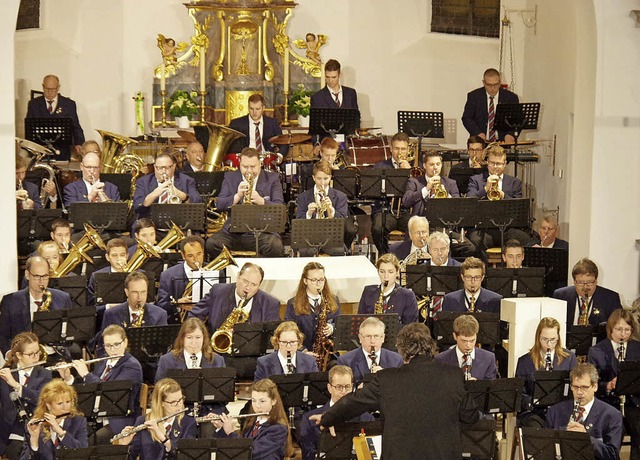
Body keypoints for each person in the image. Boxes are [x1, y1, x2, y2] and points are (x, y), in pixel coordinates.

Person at [314, 322, 479, 459]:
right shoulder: (454, 375)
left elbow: (354, 402)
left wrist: (327, 418)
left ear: (402, 350)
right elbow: (470, 415)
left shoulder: (386, 378)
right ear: (430, 346)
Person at [57, 325, 143, 444]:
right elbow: (88, 388)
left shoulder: (131, 366)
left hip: (118, 422)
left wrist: (86, 375)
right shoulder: (103, 361)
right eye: (108, 346)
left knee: (86, 444)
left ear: (125, 342)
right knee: (68, 434)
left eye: (116, 344)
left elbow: (112, 393)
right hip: (95, 417)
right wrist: (69, 378)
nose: (112, 350)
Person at [206, 147, 285, 258]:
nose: (249, 171)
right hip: (234, 233)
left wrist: (261, 201)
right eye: (245, 167)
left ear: (260, 164)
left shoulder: (272, 178)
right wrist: (237, 196)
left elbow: (280, 208)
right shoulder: (230, 177)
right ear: (239, 164)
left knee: (275, 245)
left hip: (262, 232)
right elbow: (220, 204)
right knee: (211, 244)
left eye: (253, 166)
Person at [588, 309, 640, 458]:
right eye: (618, 329)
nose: (623, 334)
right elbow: (592, 383)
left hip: (633, 403)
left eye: (627, 330)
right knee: (614, 434)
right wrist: (608, 385)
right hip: (609, 403)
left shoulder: (637, 348)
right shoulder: (597, 351)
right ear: (610, 329)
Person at [546, 363, 623, 460]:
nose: (579, 392)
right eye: (575, 387)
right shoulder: (555, 412)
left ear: (595, 386)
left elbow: (612, 455)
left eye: (584, 387)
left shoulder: (612, 415)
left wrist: (586, 438)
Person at [299, 365, 374, 460]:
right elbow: (308, 454)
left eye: (347, 387)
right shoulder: (310, 419)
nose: (343, 392)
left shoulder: (366, 418)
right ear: (329, 388)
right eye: (339, 387)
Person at [0, 257, 72, 355]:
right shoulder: (10, 301)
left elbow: (69, 335)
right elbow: (3, 335)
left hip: (53, 356)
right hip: (23, 358)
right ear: (27, 275)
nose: (41, 281)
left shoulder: (62, 298)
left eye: (45, 276)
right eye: (37, 276)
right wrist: (10, 354)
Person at [467, 144, 530, 251]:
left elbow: (518, 209)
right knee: (476, 243)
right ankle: (484, 267)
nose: (495, 166)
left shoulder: (515, 183)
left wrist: (503, 196)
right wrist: (485, 188)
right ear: (487, 162)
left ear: (504, 164)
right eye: (492, 163)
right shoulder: (476, 180)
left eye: (499, 163)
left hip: (506, 229)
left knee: (526, 240)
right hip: (483, 229)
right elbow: (470, 202)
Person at [515, 317, 577, 424]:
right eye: (545, 339)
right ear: (538, 337)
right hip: (534, 412)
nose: (549, 344)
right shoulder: (525, 361)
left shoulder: (569, 358)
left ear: (558, 338)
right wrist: (533, 401)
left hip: (561, 410)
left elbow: (574, 386)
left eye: (552, 339)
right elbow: (519, 392)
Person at [0, 333, 52, 458]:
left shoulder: (45, 374)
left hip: (33, 432)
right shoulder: (5, 373)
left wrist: (17, 386)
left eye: (37, 352)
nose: (36, 357)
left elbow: (41, 399)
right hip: (8, 433)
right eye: (31, 354)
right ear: (19, 355)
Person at [212, 378, 292, 460]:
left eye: (262, 401)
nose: (257, 406)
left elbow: (251, 452)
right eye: (254, 401)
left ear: (273, 401)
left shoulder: (278, 428)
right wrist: (222, 428)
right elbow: (231, 449)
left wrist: (230, 432)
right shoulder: (251, 422)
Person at [190, 262, 280, 333]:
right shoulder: (217, 292)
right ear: (238, 276)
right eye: (245, 281)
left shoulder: (270, 304)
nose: (248, 287)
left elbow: (272, 336)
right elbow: (193, 317)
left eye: (254, 284)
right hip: (216, 353)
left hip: (252, 355)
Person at [119, 378, 197, 459]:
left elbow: (186, 456)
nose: (179, 405)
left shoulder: (189, 423)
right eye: (173, 402)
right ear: (161, 403)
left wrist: (163, 438)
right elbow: (132, 456)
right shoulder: (143, 421)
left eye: (180, 399)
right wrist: (123, 447)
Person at [295, 160, 350, 256]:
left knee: (339, 251)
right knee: (305, 252)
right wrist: (308, 213)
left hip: (331, 238)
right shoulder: (303, 197)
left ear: (330, 178)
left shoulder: (340, 197)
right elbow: (298, 222)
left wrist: (332, 210)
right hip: (309, 238)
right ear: (313, 178)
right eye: (319, 178)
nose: (322, 182)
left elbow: (344, 223)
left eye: (326, 178)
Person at [22, 379, 88, 458]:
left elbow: (83, 452)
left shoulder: (78, 421)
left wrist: (60, 432)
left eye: (68, 402)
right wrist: (34, 440)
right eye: (60, 403)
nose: (65, 407)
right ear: (48, 405)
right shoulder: (35, 424)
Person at [284, 262, 341, 353]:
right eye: (314, 280)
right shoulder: (292, 304)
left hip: (327, 353)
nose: (318, 284)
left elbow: (339, 324)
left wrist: (332, 328)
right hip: (302, 353)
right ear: (305, 281)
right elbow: (288, 331)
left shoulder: (333, 300)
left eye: (321, 280)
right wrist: (303, 351)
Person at [26, 75, 85, 160]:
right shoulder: (34, 104)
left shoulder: (69, 104)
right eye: (47, 89)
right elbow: (29, 130)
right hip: (40, 152)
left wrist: (79, 143)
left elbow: (75, 126)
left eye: (53, 89)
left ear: (58, 88)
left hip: (62, 151)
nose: (50, 92)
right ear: (43, 87)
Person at [371, 132, 412, 254]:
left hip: (406, 211)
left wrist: (408, 171)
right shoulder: (380, 167)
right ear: (390, 149)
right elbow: (373, 191)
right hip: (386, 210)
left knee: (416, 228)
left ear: (408, 149)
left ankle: (406, 256)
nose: (400, 152)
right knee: (378, 228)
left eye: (403, 149)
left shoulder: (415, 168)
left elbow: (419, 191)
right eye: (396, 148)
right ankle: (385, 256)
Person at [552, 258, 622, 327]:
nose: (585, 287)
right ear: (574, 282)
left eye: (590, 282)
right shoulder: (560, 296)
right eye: (581, 283)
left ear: (596, 281)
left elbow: (617, 327)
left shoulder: (611, 298)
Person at [133, 152, 202, 220]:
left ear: (174, 166)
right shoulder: (143, 182)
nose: (163, 171)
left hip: (178, 221)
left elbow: (198, 201)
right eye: (159, 168)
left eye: (167, 167)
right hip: (151, 223)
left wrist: (184, 196)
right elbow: (136, 206)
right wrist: (153, 194)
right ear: (154, 167)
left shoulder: (187, 180)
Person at [336, 317, 404, 384]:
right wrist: (358, 388)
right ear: (360, 338)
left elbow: (401, 388)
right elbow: (342, 390)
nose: (372, 341)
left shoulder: (396, 360)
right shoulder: (345, 361)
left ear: (382, 338)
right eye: (368, 336)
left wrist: (385, 377)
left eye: (376, 336)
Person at [155, 318, 225, 382]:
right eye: (189, 337)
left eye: (198, 337)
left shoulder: (217, 361)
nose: (194, 342)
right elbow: (159, 391)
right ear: (182, 339)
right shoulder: (166, 361)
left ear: (204, 338)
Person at [357, 253, 418, 324]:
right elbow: (360, 321)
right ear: (378, 272)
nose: (386, 276)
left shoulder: (407, 295)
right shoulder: (368, 291)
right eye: (382, 272)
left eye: (390, 272)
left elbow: (411, 327)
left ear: (397, 272)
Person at [461, 68, 519, 143]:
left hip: (503, 142)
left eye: (495, 84)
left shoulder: (510, 98)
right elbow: (467, 118)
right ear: (483, 82)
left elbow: (517, 120)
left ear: (500, 82)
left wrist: (510, 134)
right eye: (489, 85)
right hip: (480, 142)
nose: (492, 88)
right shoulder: (474, 96)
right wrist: (478, 133)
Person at [157, 235, 205, 324]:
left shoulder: (215, 272)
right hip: (178, 325)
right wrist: (178, 303)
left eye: (199, 254)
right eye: (190, 256)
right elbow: (161, 306)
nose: (196, 259)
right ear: (183, 256)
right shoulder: (168, 275)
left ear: (203, 252)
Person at [435, 315, 497, 380]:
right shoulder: (441, 360)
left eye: (472, 340)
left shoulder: (488, 359)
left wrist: (478, 385)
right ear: (455, 336)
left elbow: (491, 387)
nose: (468, 345)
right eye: (464, 341)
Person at [100, 272, 168, 330]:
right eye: (135, 292)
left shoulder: (160, 315)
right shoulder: (111, 315)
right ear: (126, 292)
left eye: (143, 292)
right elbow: (102, 344)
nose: (139, 298)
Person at [402, 150, 460, 216]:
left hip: (443, 220)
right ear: (424, 165)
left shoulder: (450, 183)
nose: (435, 167)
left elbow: (457, 206)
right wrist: (426, 189)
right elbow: (406, 202)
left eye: (438, 164)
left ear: (441, 165)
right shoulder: (414, 181)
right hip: (421, 221)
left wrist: (447, 195)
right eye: (431, 164)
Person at [254, 321, 318, 381]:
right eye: (284, 342)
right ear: (277, 341)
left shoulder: (310, 362)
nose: (288, 346)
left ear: (298, 341)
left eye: (292, 342)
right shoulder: (264, 363)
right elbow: (258, 390)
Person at [87, 238, 128, 306]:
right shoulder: (97, 276)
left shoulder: (138, 275)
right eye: (114, 255)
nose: (119, 259)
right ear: (107, 257)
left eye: (122, 255)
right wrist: (107, 307)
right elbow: (91, 305)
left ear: (127, 256)